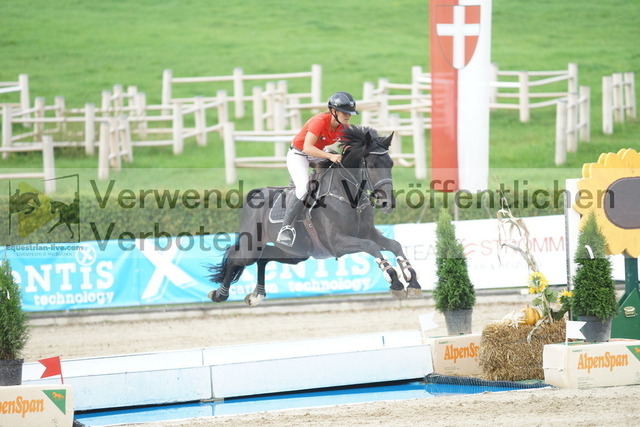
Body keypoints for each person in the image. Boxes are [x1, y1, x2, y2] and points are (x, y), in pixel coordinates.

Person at [276, 91, 359, 246]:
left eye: (350, 113)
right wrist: (330, 156)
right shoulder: (319, 121)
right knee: (303, 187)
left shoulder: (343, 126)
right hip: (299, 154)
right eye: (345, 112)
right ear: (333, 111)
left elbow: (348, 145)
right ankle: (286, 228)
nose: (348, 116)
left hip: (317, 153)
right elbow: (307, 148)